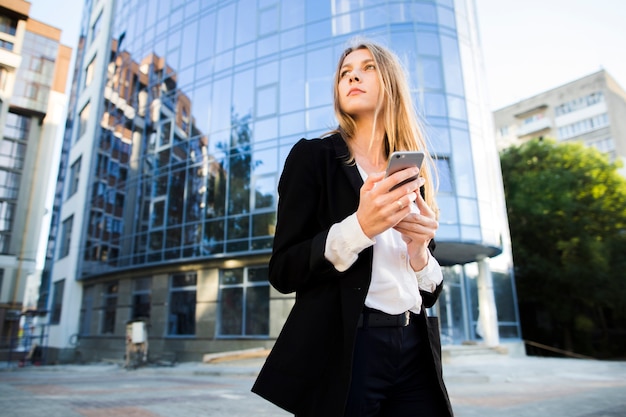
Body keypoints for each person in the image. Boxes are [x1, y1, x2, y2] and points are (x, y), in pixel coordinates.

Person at [252, 38, 454, 417]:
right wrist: (359, 227)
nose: (353, 76)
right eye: (345, 73)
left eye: (367, 68)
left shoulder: (411, 174)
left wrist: (419, 251)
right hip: (349, 348)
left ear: (391, 82)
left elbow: (428, 292)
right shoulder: (313, 157)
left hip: (414, 346)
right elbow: (283, 270)